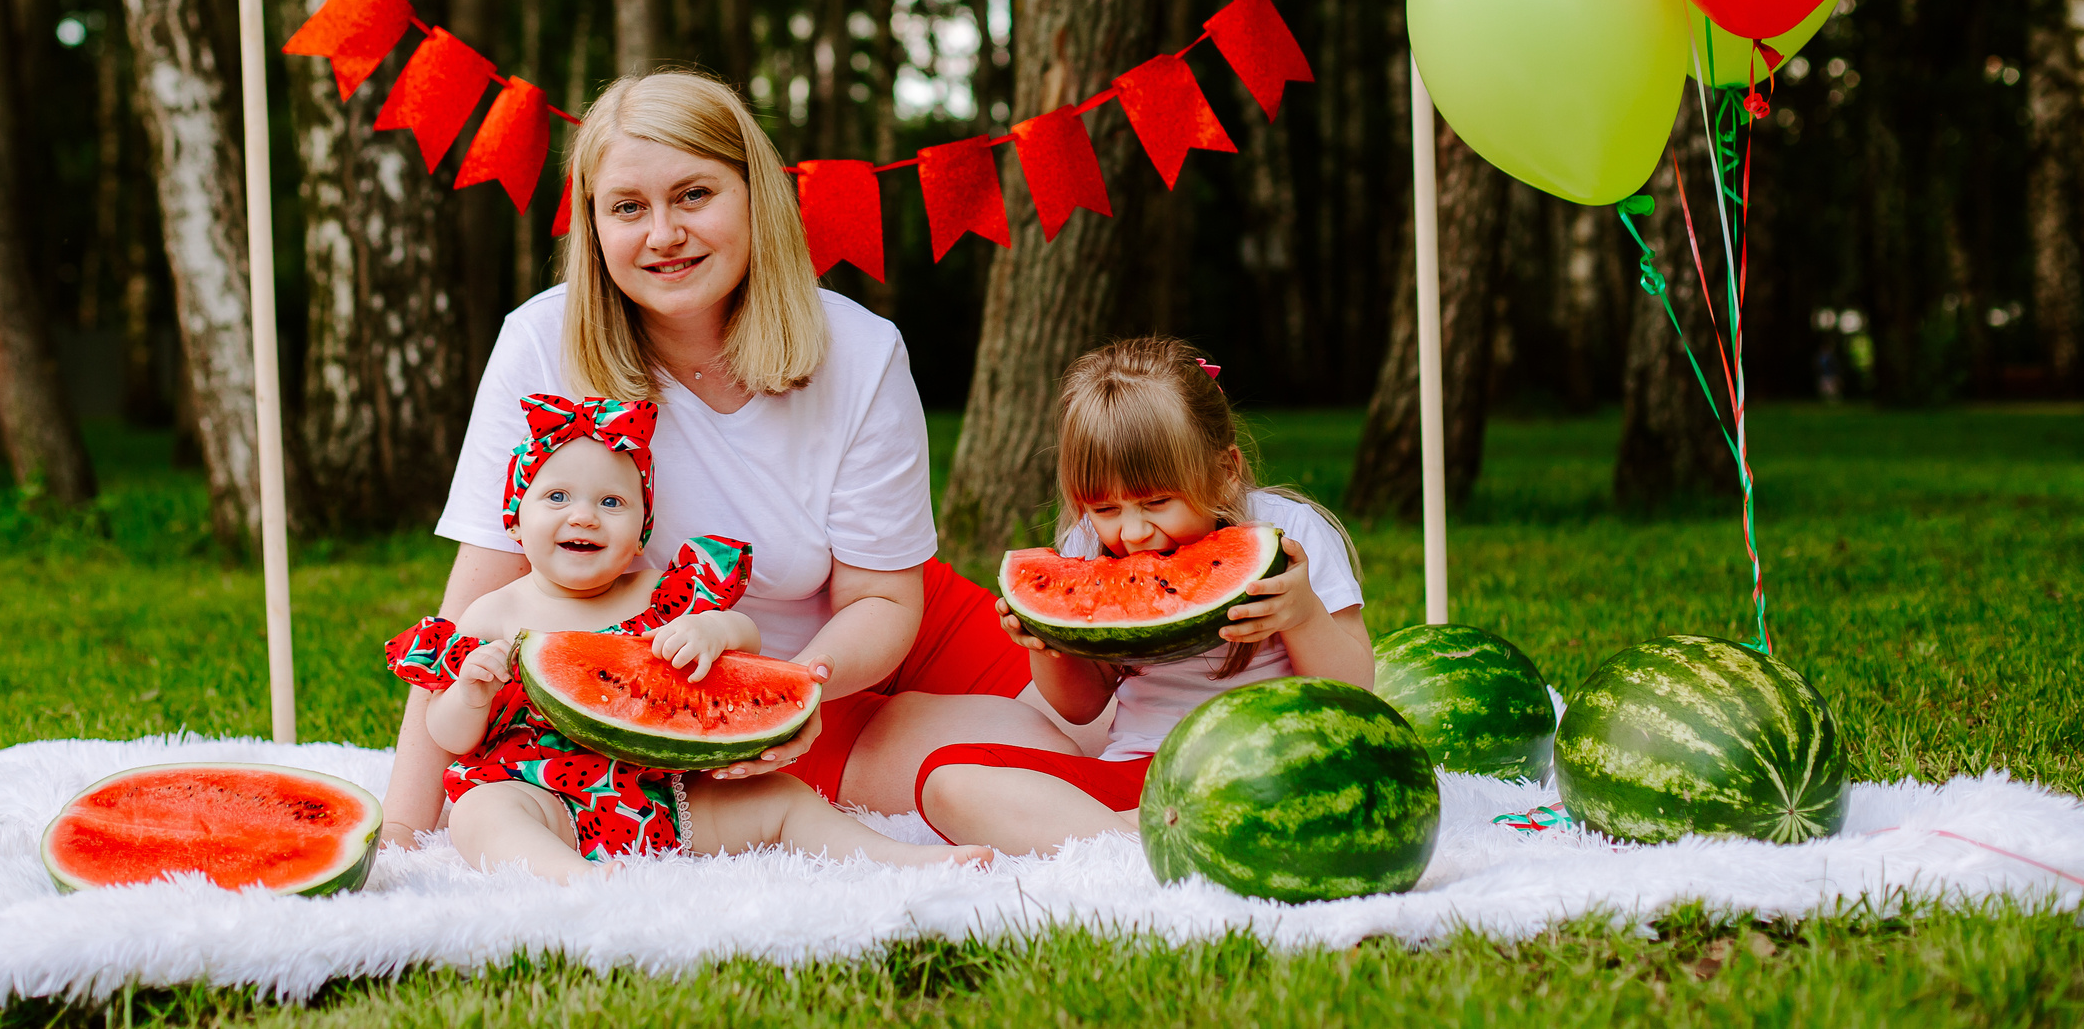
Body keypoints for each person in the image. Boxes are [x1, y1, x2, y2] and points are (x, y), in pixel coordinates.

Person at [381, 70, 1073, 849]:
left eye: (694, 195)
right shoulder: (539, 343)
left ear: (755, 196)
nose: (663, 234)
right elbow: (471, 607)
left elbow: (883, 598)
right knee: (1003, 777)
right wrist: (403, 828)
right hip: (729, 715)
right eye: (627, 207)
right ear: (592, 223)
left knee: (1108, 735)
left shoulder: (862, 350)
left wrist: (794, 689)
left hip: (853, 642)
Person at [387, 393, 989, 877]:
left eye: (611, 501)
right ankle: (575, 882)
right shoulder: (491, 615)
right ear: (516, 519)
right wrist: (469, 694)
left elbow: (746, 640)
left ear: (641, 528)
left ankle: (901, 861)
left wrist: (713, 629)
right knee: (480, 815)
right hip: (541, 794)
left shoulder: (660, 594)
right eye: (557, 497)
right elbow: (450, 735)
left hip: (667, 792)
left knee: (784, 800)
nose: (583, 515)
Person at [913, 338, 1372, 855]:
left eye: (1156, 501)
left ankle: (1130, 842)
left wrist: (1304, 615)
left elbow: (1356, 690)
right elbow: (1080, 708)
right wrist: (1048, 643)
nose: (1131, 532)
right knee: (944, 779)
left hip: (1279, 768)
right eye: (1105, 508)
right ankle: (1143, 841)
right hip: (1148, 775)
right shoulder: (1087, 547)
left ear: (1225, 471)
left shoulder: (1291, 531)